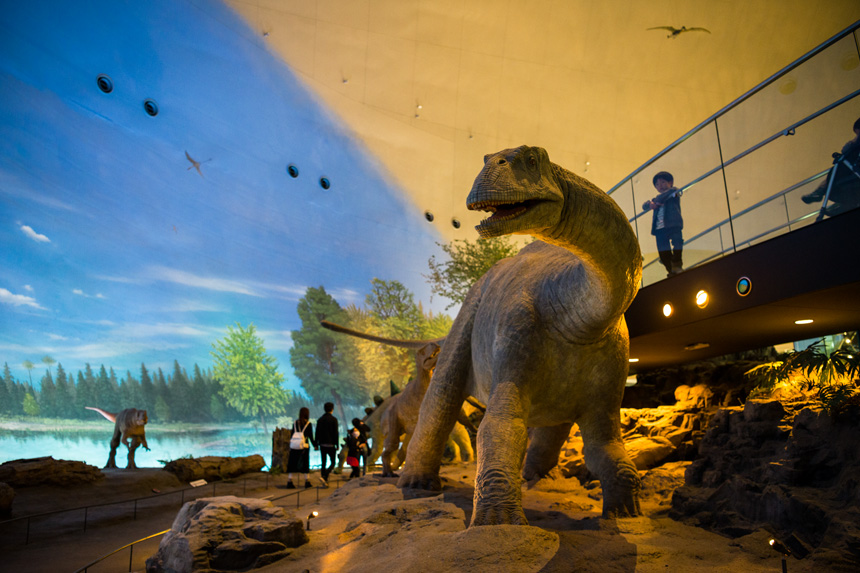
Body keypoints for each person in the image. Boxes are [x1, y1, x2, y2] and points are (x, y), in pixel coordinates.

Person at [802, 117, 860, 217]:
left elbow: (845, 150)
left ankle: (819, 193)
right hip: (850, 172)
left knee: (835, 173)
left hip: (851, 172)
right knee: (835, 175)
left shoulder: (855, 145)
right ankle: (822, 194)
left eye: (857, 133)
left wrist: (855, 140)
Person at [642, 171, 684, 277]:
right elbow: (644, 206)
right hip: (659, 229)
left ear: (670, 182)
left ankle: (677, 266)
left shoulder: (673, 192)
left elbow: (676, 192)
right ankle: (671, 271)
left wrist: (656, 202)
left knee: (677, 243)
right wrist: (650, 204)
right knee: (663, 253)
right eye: (657, 184)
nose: (660, 186)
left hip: (673, 224)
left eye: (663, 182)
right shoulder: (655, 200)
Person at [286, 407, 317, 489]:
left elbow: (292, 434)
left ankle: (289, 481)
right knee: (305, 463)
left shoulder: (295, 423)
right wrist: (315, 445)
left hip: (294, 446)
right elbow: (310, 437)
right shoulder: (308, 424)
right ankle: (307, 481)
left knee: (292, 463)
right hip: (304, 447)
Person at [315, 402, 339, 487]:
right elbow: (335, 433)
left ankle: (324, 480)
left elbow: (317, 432)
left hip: (322, 444)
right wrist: (337, 444)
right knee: (333, 462)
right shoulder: (334, 419)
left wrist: (316, 444)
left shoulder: (320, 419)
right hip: (331, 444)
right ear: (332, 409)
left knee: (323, 462)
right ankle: (325, 476)